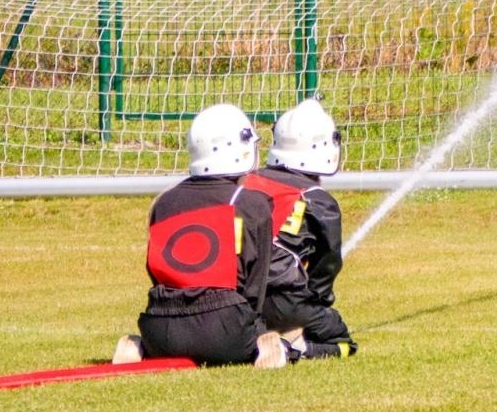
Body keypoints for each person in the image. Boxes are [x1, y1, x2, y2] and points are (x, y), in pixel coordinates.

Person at [112, 103, 290, 368]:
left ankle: (141, 348)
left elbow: (157, 271)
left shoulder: (164, 202)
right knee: (281, 342)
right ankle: (265, 348)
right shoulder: (252, 204)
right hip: (225, 328)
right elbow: (255, 286)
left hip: (159, 327)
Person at [240, 98, 356, 360]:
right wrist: (318, 304)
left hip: (237, 302)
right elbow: (326, 265)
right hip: (285, 304)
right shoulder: (318, 199)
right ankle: (294, 348)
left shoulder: (247, 183)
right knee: (344, 343)